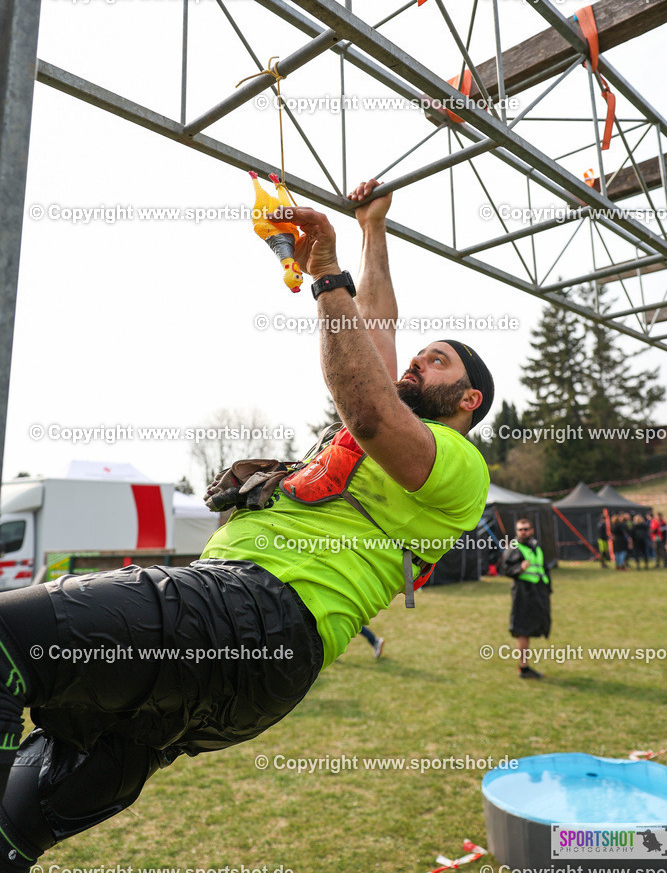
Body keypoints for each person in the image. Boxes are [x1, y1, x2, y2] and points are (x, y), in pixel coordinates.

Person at [0, 179, 493, 866]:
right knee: (17, 824)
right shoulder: (401, 436)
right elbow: (373, 332)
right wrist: (371, 230)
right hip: (253, 667)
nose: (414, 361)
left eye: (436, 361)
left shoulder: (458, 462)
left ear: (468, 399)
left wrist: (326, 275)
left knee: (6, 640)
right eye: (416, 355)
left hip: (254, 611)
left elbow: (368, 407)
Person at [501, 518, 551, 680]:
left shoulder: (536, 547)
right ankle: (524, 668)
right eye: (520, 529)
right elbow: (505, 569)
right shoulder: (514, 548)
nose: (523, 532)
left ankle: (524, 666)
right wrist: (519, 568)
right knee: (523, 630)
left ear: (532, 530)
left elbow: (544, 568)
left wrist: (548, 588)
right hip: (523, 593)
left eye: (526, 529)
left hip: (538, 592)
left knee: (536, 626)